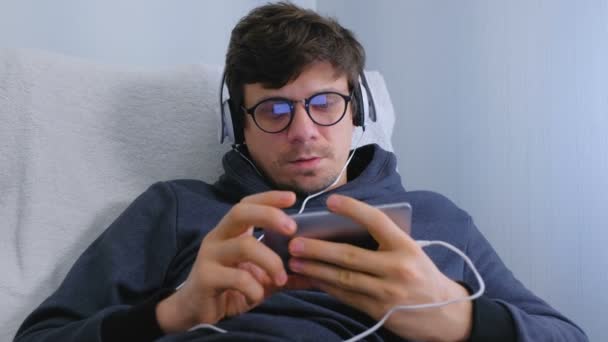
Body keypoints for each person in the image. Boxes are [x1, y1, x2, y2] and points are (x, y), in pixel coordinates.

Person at [15, 2, 587, 342]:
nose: (304, 131)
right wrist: (173, 311)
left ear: (355, 109)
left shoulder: (437, 218)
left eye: (324, 103)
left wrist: (459, 319)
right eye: (275, 109)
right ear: (239, 124)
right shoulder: (175, 208)